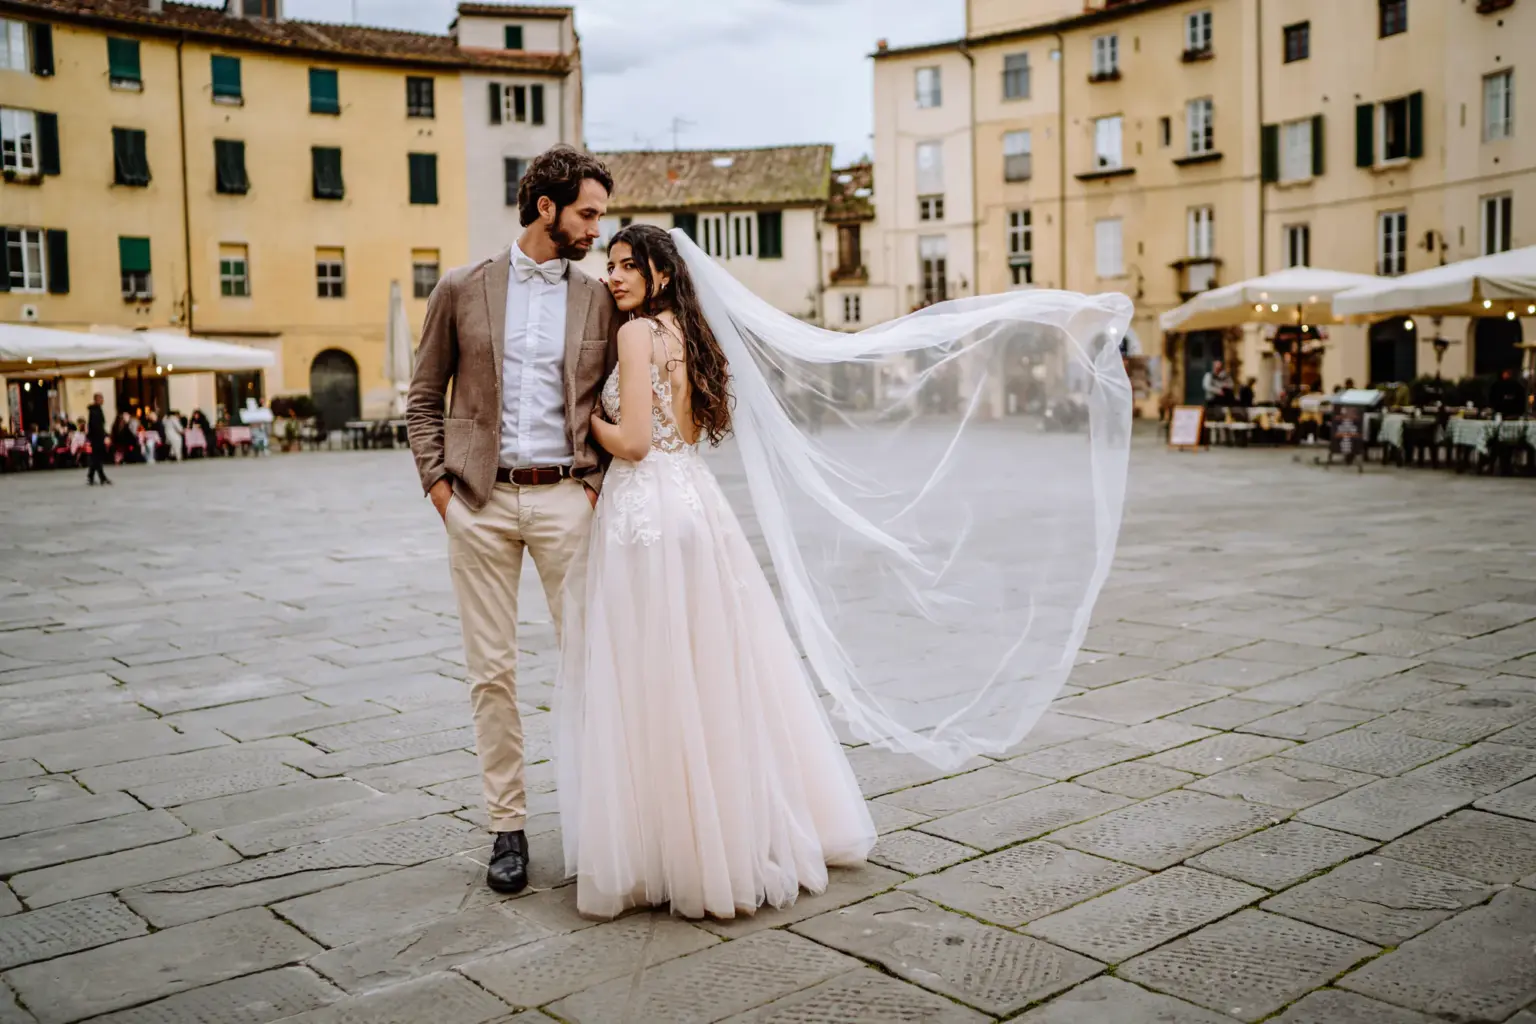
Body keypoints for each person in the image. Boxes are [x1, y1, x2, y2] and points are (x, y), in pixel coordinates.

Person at [559, 225, 875, 920]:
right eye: (608, 266)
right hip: (697, 505)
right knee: (715, 673)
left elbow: (636, 443)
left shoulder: (638, 336)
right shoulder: (693, 336)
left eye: (626, 267)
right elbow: (686, 436)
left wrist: (584, 424)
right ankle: (732, 831)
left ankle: (666, 847)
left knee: (653, 676)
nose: (612, 277)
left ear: (660, 275)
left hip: (645, 511)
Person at [407, 145, 619, 897]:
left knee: (591, 665)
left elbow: (614, 399)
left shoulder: (599, 297)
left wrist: (591, 487)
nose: (597, 228)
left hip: (568, 498)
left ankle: (602, 823)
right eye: (588, 213)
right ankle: (508, 827)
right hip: (479, 501)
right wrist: (441, 488)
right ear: (545, 209)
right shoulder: (462, 289)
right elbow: (424, 396)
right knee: (491, 672)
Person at [85, 393, 110, 486]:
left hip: (97, 437)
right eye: (100, 398)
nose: (102, 400)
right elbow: (95, 426)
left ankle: (92, 477)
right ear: (96, 400)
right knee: (97, 458)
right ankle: (100, 477)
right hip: (97, 438)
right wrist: (102, 436)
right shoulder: (95, 411)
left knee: (96, 459)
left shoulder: (97, 410)